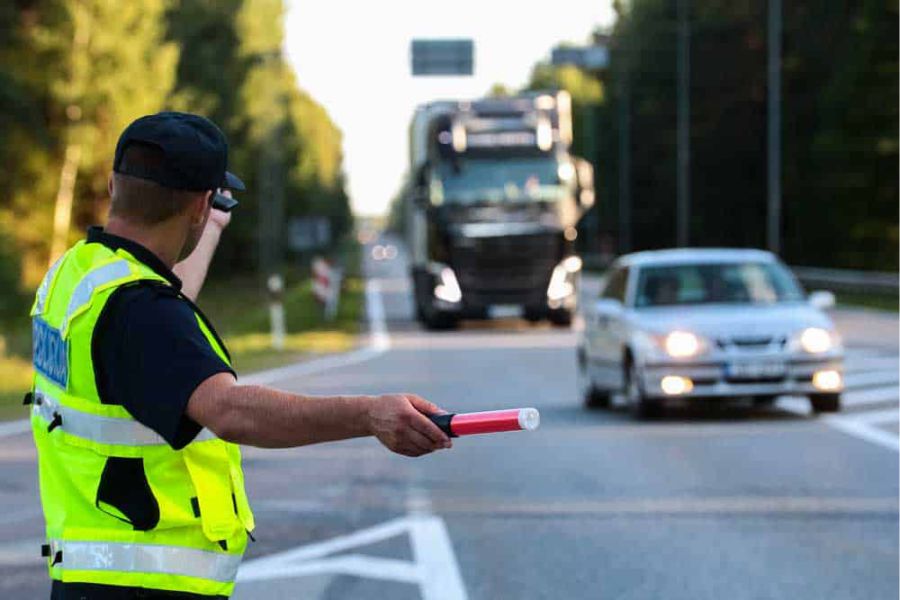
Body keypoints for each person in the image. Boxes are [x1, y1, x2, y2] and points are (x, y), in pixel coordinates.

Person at [28, 112, 452, 600]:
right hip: (143, 583)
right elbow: (229, 410)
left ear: (112, 185)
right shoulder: (141, 312)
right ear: (200, 204)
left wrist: (208, 228)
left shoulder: (78, 276)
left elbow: (161, 329)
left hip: (89, 575)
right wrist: (371, 415)